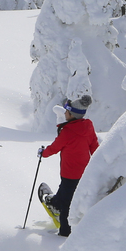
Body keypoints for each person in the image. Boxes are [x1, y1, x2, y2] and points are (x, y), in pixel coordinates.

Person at [37, 96, 99, 237]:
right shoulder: (88, 127)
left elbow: (55, 147)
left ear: (72, 114)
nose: (64, 113)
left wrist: (43, 153)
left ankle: (65, 232)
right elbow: (94, 146)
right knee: (67, 191)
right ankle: (55, 203)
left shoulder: (68, 131)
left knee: (67, 202)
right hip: (84, 172)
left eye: (67, 112)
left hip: (69, 172)